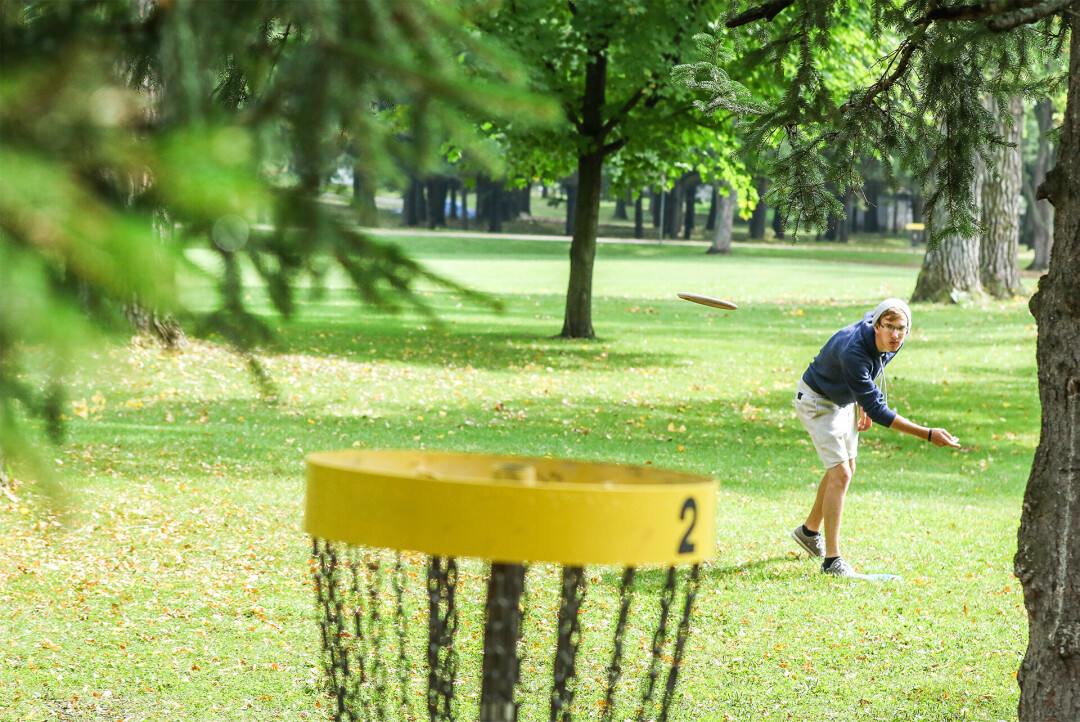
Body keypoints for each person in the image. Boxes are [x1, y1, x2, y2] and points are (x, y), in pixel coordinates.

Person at [790, 298, 960, 577]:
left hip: (842, 399)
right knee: (841, 473)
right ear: (876, 326)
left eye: (901, 329)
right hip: (817, 400)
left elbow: (872, 373)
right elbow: (880, 411)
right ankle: (832, 562)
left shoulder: (892, 338)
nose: (895, 335)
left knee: (846, 469)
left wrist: (861, 400)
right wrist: (928, 435)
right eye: (889, 327)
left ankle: (808, 532)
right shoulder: (853, 350)